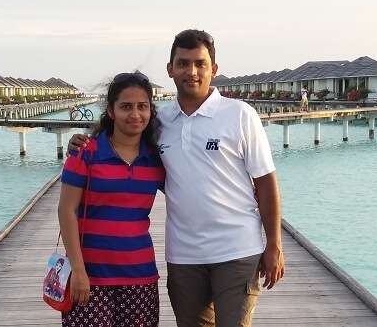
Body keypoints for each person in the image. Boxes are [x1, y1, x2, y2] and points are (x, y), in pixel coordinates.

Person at [69, 29, 285, 327]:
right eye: (183, 63)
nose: (191, 71)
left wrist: (274, 244)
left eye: (200, 63)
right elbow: (123, 138)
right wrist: (83, 144)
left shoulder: (240, 115)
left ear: (214, 69)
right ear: (171, 69)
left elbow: (266, 184)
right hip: (184, 255)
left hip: (237, 249)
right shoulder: (160, 122)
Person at [58, 72, 164, 327]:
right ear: (111, 111)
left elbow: (190, 192)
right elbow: (66, 211)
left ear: (151, 111)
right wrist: (79, 272)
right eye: (126, 107)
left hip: (141, 276)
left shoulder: (156, 158)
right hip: (90, 277)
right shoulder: (86, 153)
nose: (135, 114)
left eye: (143, 107)